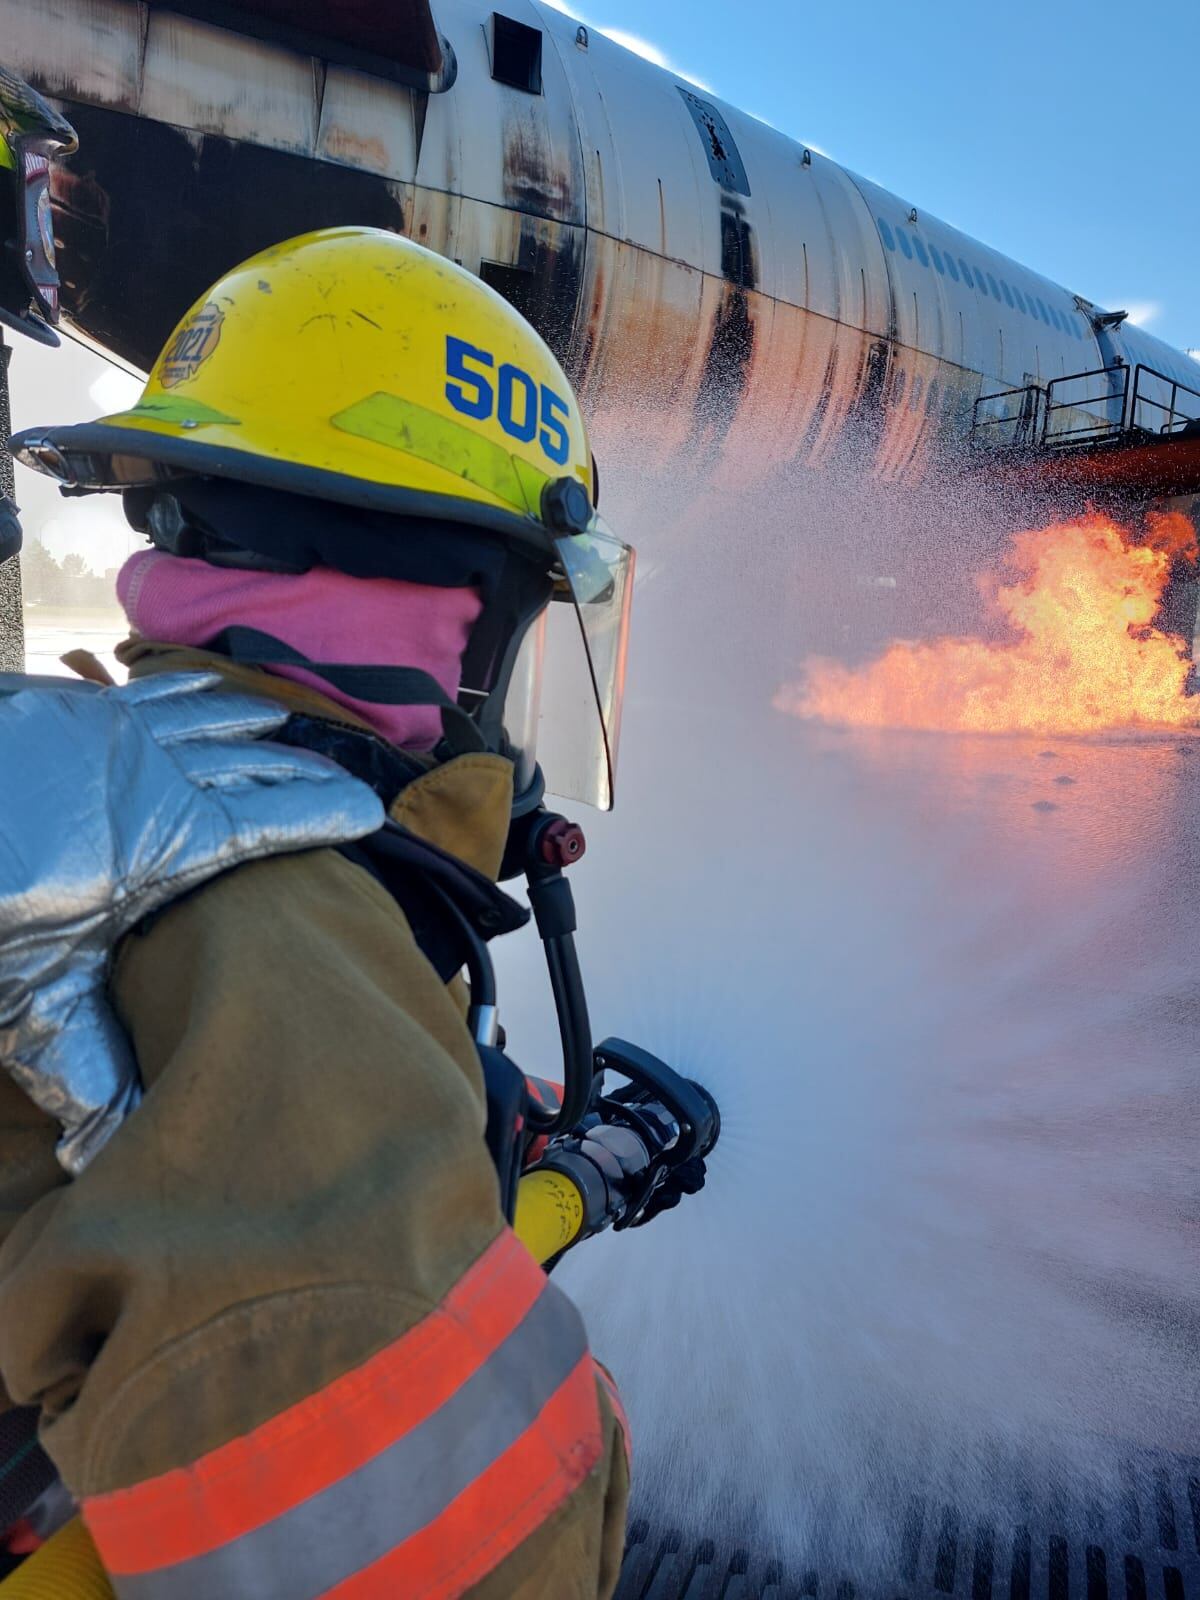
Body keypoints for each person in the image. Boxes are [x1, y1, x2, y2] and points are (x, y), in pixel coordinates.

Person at [0, 227, 636, 1597]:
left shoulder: (120, 806)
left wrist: (451, 1100)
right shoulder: (276, 916)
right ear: (455, 613)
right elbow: (468, 1548)